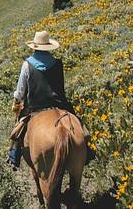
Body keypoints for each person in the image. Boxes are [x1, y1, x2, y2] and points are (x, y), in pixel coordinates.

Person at [7, 30, 95, 170]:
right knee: (79, 125)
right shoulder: (58, 63)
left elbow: (20, 92)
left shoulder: (27, 65)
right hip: (60, 105)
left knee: (17, 132)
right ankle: (87, 151)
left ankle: (14, 156)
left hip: (35, 107)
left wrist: (16, 103)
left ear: (35, 46)